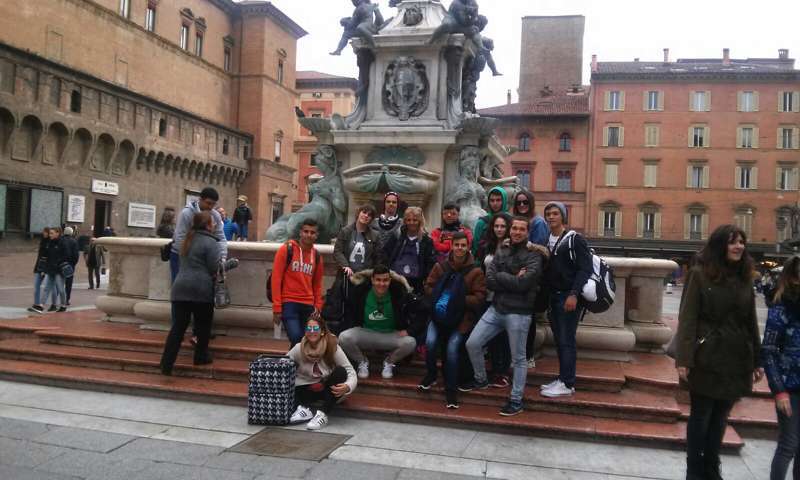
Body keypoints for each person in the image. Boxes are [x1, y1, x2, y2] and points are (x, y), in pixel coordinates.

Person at [675, 224, 763, 480]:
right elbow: (688, 318)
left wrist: (757, 360)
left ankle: (712, 468)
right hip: (707, 356)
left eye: (742, 242)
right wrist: (684, 358)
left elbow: (751, 321)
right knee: (701, 417)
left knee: (721, 417)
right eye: (733, 242)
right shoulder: (700, 274)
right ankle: (694, 471)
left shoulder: (745, 277)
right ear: (720, 245)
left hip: (736, 358)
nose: (739, 247)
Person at [462, 216, 543, 416]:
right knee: (472, 343)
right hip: (497, 308)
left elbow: (524, 284)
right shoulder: (502, 250)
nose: (517, 232)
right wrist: (513, 277)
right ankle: (481, 379)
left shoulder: (534, 255)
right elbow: (489, 279)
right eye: (514, 228)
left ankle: (516, 400)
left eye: (521, 229)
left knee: (519, 359)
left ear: (527, 232)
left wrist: (503, 277)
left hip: (519, 313)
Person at [419, 232, 486, 409]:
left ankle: (451, 389)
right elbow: (428, 286)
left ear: (468, 247)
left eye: (463, 245)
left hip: (461, 319)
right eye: (456, 245)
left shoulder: (476, 271)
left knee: (452, 349)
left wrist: (457, 299)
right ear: (451, 246)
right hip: (439, 315)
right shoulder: (440, 267)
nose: (459, 248)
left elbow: (480, 297)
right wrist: (440, 295)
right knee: (430, 342)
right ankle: (432, 374)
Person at [540, 202, 592, 398]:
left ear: (563, 216)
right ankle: (562, 379)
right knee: (560, 340)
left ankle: (568, 383)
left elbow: (585, 268)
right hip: (553, 297)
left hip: (567, 297)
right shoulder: (547, 239)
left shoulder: (574, 239)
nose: (551, 217)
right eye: (548, 214)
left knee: (566, 340)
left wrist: (574, 294)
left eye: (555, 213)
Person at [160, 211, 221, 375]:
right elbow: (214, 268)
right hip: (201, 289)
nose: (215, 225)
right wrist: (227, 265)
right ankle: (200, 356)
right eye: (213, 222)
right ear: (208, 225)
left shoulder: (187, 239)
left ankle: (166, 363)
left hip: (180, 287)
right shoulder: (211, 242)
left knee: (178, 328)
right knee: (203, 326)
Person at [338, 265, 420, 379]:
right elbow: (350, 312)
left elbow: (420, 313)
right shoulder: (361, 292)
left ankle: (389, 362)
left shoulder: (399, 294)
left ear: (390, 280)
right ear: (372, 280)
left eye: (385, 280)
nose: (381, 284)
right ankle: (362, 361)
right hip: (366, 332)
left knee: (411, 342)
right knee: (343, 337)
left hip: (390, 334)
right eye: (378, 280)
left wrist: (409, 330)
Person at [763, 256, 800, 480]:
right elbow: (768, 349)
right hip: (789, 385)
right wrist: (779, 390)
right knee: (789, 444)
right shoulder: (782, 305)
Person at [287, 314, 357, 431]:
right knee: (287, 375)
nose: (312, 332)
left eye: (315, 328)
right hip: (306, 388)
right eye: (309, 328)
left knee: (341, 372)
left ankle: (323, 414)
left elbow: (350, 372)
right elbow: (283, 364)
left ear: (322, 331)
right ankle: (304, 410)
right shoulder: (299, 348)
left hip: (327, 389)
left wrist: (348, 386)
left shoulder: (332, 347)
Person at [271, 219, 325, 347]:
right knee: (296, 337)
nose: (309, 235)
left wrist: (318, 306)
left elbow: (317, 284)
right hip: (289, 302)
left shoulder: (317, 256)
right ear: (300, 232)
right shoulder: (286, 249)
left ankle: (292, 359)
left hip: (308, 305)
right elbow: (276, 279)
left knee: (306, 341)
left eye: (312, 232)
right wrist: (277, 307)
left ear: (316, 235)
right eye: (306, 231)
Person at [474, 213, 513, 388]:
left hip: (504, 297)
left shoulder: (513, 247)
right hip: (487, 296)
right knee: (489, 337)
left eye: (503, 226)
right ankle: (491, 370)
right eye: (496, 226)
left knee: (502, 337)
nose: (499, 229)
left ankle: (502, 372)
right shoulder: (486, 245)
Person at [513, 190, 549, 369]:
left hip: (530, 277)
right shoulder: (518, 221)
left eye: (525, 202)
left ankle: (528, 355)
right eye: (518, 202)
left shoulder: (538, 222)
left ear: (531, 203)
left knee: (528, 317)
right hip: (516, 274)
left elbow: (539, 252)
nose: (522, 205)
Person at [383, 206, 436, 295]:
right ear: (405, 221)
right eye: (408, 220)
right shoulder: (397, 236)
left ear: (420, 221)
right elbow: (385, 253)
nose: (411, 223)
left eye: (415, 220)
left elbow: (430, 262)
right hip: (395, 280)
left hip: (416, 283)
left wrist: (426, 280)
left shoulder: (426, 241)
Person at [333, 204, 382, 278]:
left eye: (369, 215)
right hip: (346, 275)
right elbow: (337, 251)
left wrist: (373, 273)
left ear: (371, 219)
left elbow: (378, 257)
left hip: (365, 277)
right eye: (364, 212)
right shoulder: (345, 231)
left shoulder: (375, 235)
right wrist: (345, 265)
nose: (366, 216)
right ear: (358, 213)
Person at [471, 187, 507, 257]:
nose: (495, 203)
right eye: (492, 200)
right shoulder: (482, 223)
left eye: (498, 200)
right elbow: (475, 247)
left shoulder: (510, 220)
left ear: (504, 201)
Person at [42, 227, 68, 312]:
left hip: (59, 271)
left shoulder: (62, 243)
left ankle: (63, 305)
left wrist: (58, 263)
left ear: (58, 233)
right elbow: (47, 257)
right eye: (50, 233)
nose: (50, 235)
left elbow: (66, 256)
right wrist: (45, 269)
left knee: (60, 289)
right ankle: (40, 305)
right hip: (50, 270)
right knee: (46, 288)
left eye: (52, 233)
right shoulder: (50, 243)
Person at [27, 227, 50, 314]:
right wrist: (36, 268)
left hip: (45, 268)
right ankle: (36, 304)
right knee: (36, 286)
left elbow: (48, 257)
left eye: (45, 232)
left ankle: (53, 304)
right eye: (43, 232)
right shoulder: (42, 241)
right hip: (39, 266)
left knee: (49, 287)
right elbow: (39, 256)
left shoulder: (50, 243)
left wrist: (45, 269)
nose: (44, 234)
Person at [62, 227, 80, 306]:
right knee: (68, 283)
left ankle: (57, 298)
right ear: (71, 233)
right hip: (70, 265)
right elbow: (76, 255)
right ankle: (67, 299)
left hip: (60, 264)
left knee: (59, 282)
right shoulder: (74, 241)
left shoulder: (60, 240)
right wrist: (73, 264)